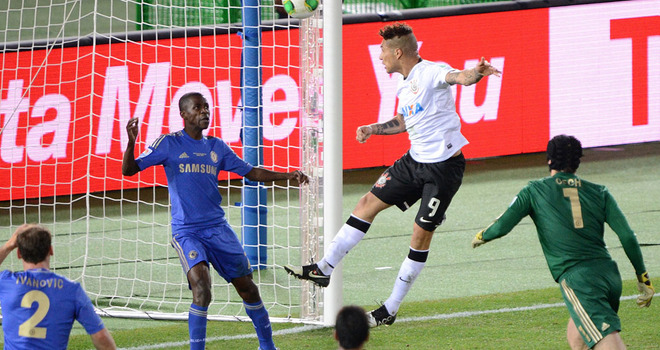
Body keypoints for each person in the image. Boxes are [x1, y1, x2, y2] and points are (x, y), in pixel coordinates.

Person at [284, 22, 502, 327]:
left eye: (383, 51)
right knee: (365, 205)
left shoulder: (431, 71)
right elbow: (405, 120)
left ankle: (390, 309)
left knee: (419, 235)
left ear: (398, 52)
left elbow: (459, 77)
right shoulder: (405, 82)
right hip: (413, 161)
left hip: (442, 170)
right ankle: (324, 268)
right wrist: (374, 129)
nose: (380, 57)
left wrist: (476, 73)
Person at [122, 92, 308, 350]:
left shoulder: (216, 146)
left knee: (249, 289)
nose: (204, 112)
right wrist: (131, 143)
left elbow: (251, 172)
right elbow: (129, 170)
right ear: (184, 114)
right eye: (197, 108)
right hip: (187, 232)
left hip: (218, 230)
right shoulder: (168, 144)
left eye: (206, 107)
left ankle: (267, 346)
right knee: (202, 288)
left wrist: (287, 176)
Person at [471, 135, 655, 350]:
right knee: (578, 340)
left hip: (580, 281)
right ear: (578, 161)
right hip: (609, 276)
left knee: (607, 342)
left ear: (549, 160)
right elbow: (627, 237)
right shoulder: (600, 192)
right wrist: (643, 277)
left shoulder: (535, 190)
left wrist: (483, 235)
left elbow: (502, 226)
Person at [0, 224, 117, 350]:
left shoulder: (6, 282)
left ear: (18, 254)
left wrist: (8, 245)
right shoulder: (71, 290)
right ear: (51, 250)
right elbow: (100, 337)